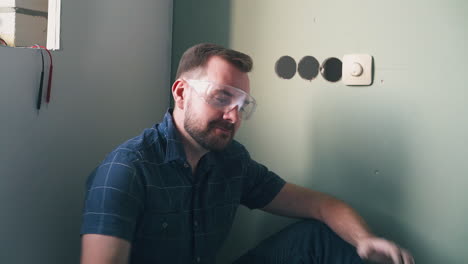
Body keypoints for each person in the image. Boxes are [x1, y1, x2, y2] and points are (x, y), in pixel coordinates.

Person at [80, 43, 414, 264]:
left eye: (242, 106)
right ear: (182, 93)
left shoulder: (231, 160)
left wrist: (365, 240)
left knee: (317, 236)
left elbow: (320, 205)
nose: (234, 117)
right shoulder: (126, 171)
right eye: (222, 97)